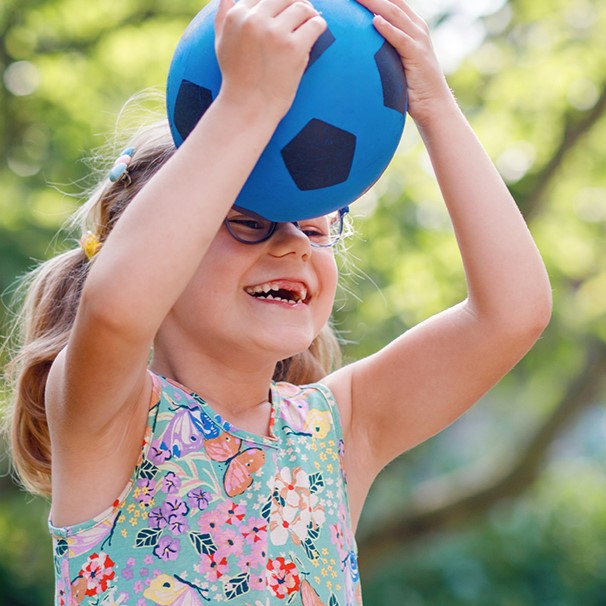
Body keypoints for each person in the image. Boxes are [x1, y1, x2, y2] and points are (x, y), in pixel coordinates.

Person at [4, 0, 552, 603]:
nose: (293, 246)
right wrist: (245, 106)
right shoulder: (108, 418)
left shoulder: (337, 429)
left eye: (315, 229)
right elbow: (116, 309)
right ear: (161, 250)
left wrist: (436, 108)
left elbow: (512, 313)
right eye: (249, 223)